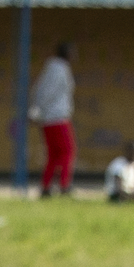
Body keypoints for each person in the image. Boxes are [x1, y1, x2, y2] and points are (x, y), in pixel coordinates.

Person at [29, 39, 78, 197]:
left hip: (49, 119)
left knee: (54, 155)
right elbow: (46, 93)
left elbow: (39, 90)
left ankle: (46, 186)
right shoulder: (59, 69)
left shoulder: (51, 68)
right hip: (57, 118)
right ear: (67, 53)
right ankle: (64, 185)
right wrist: (38, 110)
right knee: (68, 151)